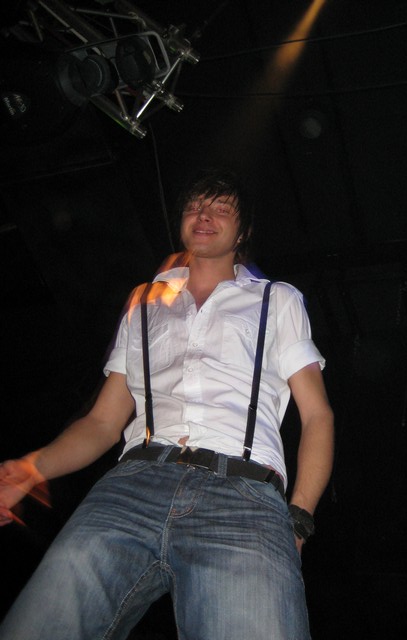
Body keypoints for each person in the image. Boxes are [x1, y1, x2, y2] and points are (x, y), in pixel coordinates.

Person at [0, 168, 334, 640]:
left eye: (221, 208)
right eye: (195, 206)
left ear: (243, 231)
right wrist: (31, 468)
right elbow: (102, 422)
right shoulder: (143, 302)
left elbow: (317, 415)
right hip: (132, 484)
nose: (204, 215)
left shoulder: (276, 300)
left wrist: (298, 517)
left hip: (241, 495)